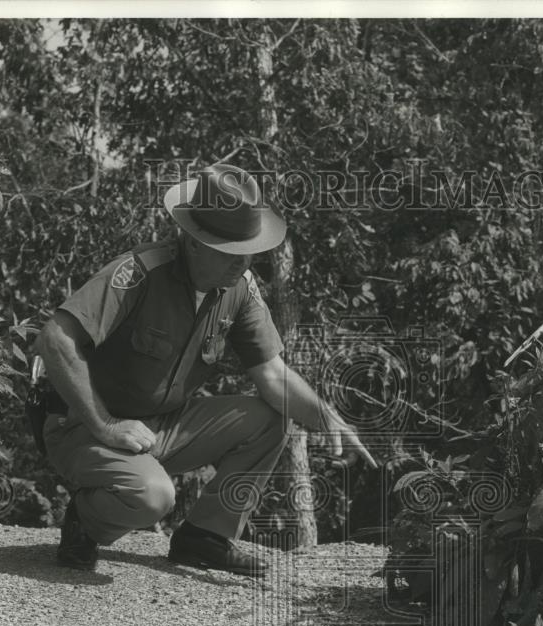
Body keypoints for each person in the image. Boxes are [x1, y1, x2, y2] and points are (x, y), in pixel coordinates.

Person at [34, 163, 376, 576]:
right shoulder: (141, 272)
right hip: (83, 426)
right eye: (230, 250)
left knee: (271, 418)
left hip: (162, 426)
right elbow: (55, 339)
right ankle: (85, 523)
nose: (243, 261)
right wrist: (106, 425)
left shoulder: (240, 288)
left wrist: (329, 419)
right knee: (152, 498)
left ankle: (205, 537)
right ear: (194, 242)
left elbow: (272, 374)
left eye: (247, 248)